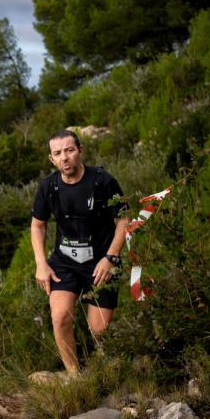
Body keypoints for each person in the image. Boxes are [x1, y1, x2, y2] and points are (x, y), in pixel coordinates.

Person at [29, 129, 128, 375]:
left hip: (101, 262)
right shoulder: (48, 187)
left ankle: (103, 370)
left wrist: (111, 258)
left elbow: (124, 220)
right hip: (65, 263)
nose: (64, 157)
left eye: (69, 150)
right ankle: (74, 376)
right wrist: (41, 264)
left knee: (99, 330)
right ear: (51, 159)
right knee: (60, 317)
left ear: (80, 151)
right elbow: (38, 225)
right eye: (57, 153)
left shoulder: (103, 181)